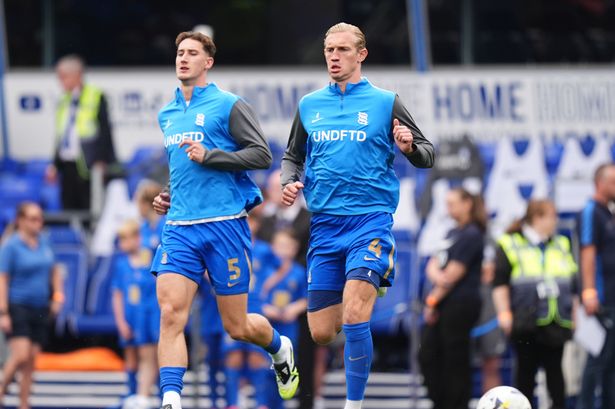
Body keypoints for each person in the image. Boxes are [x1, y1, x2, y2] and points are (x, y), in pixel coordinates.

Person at [280, 22, 434, 409]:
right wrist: (289, 181)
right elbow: (292, 156)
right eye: (329, 50)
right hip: (324, 226)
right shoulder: (309, 105)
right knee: (321, 332)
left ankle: (353, 404)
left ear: (361, 54)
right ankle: (364, 281)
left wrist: (409, 147)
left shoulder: (385, 102)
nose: (334, 57)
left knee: (353, 314)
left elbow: (428, 154)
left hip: (369, 221)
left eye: (343, 50)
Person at [150, 31, 298, 409]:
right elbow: (182, 167)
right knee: (170, 313)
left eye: (192, 53)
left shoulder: (229, 104)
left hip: (224, 225)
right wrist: (168, 194)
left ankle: (279, 348)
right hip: (180, 227)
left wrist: (212, 156)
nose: (183, 58)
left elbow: (261, 155)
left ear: (208, 62)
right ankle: (171, 399)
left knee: (238, 326)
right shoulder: (167, 114)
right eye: (179, 52)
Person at [492, 199, 577, 409]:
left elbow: (572, 282)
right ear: (537, 218)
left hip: (555, 320)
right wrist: (504, 313)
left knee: (556, 375)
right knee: (525, 376)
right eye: (551, 216)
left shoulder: (561, 243)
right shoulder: (510, 243)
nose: (555, 221)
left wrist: (574, 314)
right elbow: (500, 283)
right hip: (525, 321)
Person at [418, 188, 486, 409]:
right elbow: (433, 265)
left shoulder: (472, 234)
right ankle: (440, 402)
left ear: (467, 204)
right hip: (442, 302)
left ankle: (456, 404)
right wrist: (439, 280)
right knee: (428, 354)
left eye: (452, 203)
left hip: (460, 304)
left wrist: (432, 300)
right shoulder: (451, 232)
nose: (448, 208)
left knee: (455, 359)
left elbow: (453, 274)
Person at [0, 202, 64, 409]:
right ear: (21, 220)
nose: (39, 222)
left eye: (40, 218)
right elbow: (3, 279)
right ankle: (1, 390)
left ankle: (24, 404)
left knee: (31, 361)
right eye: (33, 218)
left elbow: (55, 270)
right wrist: (3, 312)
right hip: (18, 305)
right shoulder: (11, 246)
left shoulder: (44, 242)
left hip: (40, 306)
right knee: (20, 355)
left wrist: (57, 295)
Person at [47, 54, 117, 211]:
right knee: (67, 209)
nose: (60, 81)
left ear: (77, 75)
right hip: (67, 165)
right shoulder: (63, 99)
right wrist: (54, 164)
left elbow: (105, 132)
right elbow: (61, 135)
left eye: (64, 76)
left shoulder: (96, 96)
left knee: (89, 209)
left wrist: (102, 160)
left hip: (88, 164)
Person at [577, 163, 615, 409]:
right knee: (597, 359)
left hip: (613, 298)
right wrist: (589, 292)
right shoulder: (591, 211)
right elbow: (588, 253)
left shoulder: (608, 213)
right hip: (601, 300)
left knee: (611, 363)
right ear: (600, 183)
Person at [111, 220, 159, 408]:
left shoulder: (149, 257)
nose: (123, 244)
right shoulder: (121, 264)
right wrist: (121, 321)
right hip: (130, 315)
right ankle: (133, 394)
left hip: (148, 314)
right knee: (131, 357)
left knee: (149, 355)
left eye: (126, 239)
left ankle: (145, 395)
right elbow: (117, 294)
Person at [261, 229, 308, 409]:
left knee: (283, 369)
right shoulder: (265, 271)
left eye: (287, 246)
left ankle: (280, 405)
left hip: (288, 327)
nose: (283, 250)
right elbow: (254, 297)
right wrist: (267, 309)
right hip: (266, 326)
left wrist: (293, 309)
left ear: (295, 248)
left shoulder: (298, 272)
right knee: (263, 369)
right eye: (279, 245)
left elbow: (306, 298)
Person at [134, 180, 165, 253]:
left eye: (138, 202)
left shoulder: (166, 225)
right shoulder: (143, 227)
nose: (137, 207)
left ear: (146, 204)